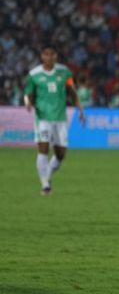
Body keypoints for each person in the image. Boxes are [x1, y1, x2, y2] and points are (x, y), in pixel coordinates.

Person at [24, 45, 85, 195]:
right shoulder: (34, 74)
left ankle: (48, 176)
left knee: (60, 154)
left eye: (52, 54)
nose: (49, 57)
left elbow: (72, 91)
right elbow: (28, 93)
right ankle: (45, 185)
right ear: (41, 56)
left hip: (60, 118)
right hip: (42, 117)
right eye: (46, 54)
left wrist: (80, 109)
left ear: (55, 56)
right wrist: (28, 103)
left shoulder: (64, 72)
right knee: (43, 149)